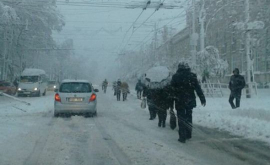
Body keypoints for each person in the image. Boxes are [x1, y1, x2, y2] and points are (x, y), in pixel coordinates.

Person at [171, 62, 206, 143]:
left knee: (181, 118)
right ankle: (188, 133)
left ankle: (182, 136)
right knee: (189, 116)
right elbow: (198, 88)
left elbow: (171, 90)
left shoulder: (176, 76)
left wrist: (171, 101)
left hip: (179, 100)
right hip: (190, 100)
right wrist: (202, 98)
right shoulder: (192, 76)